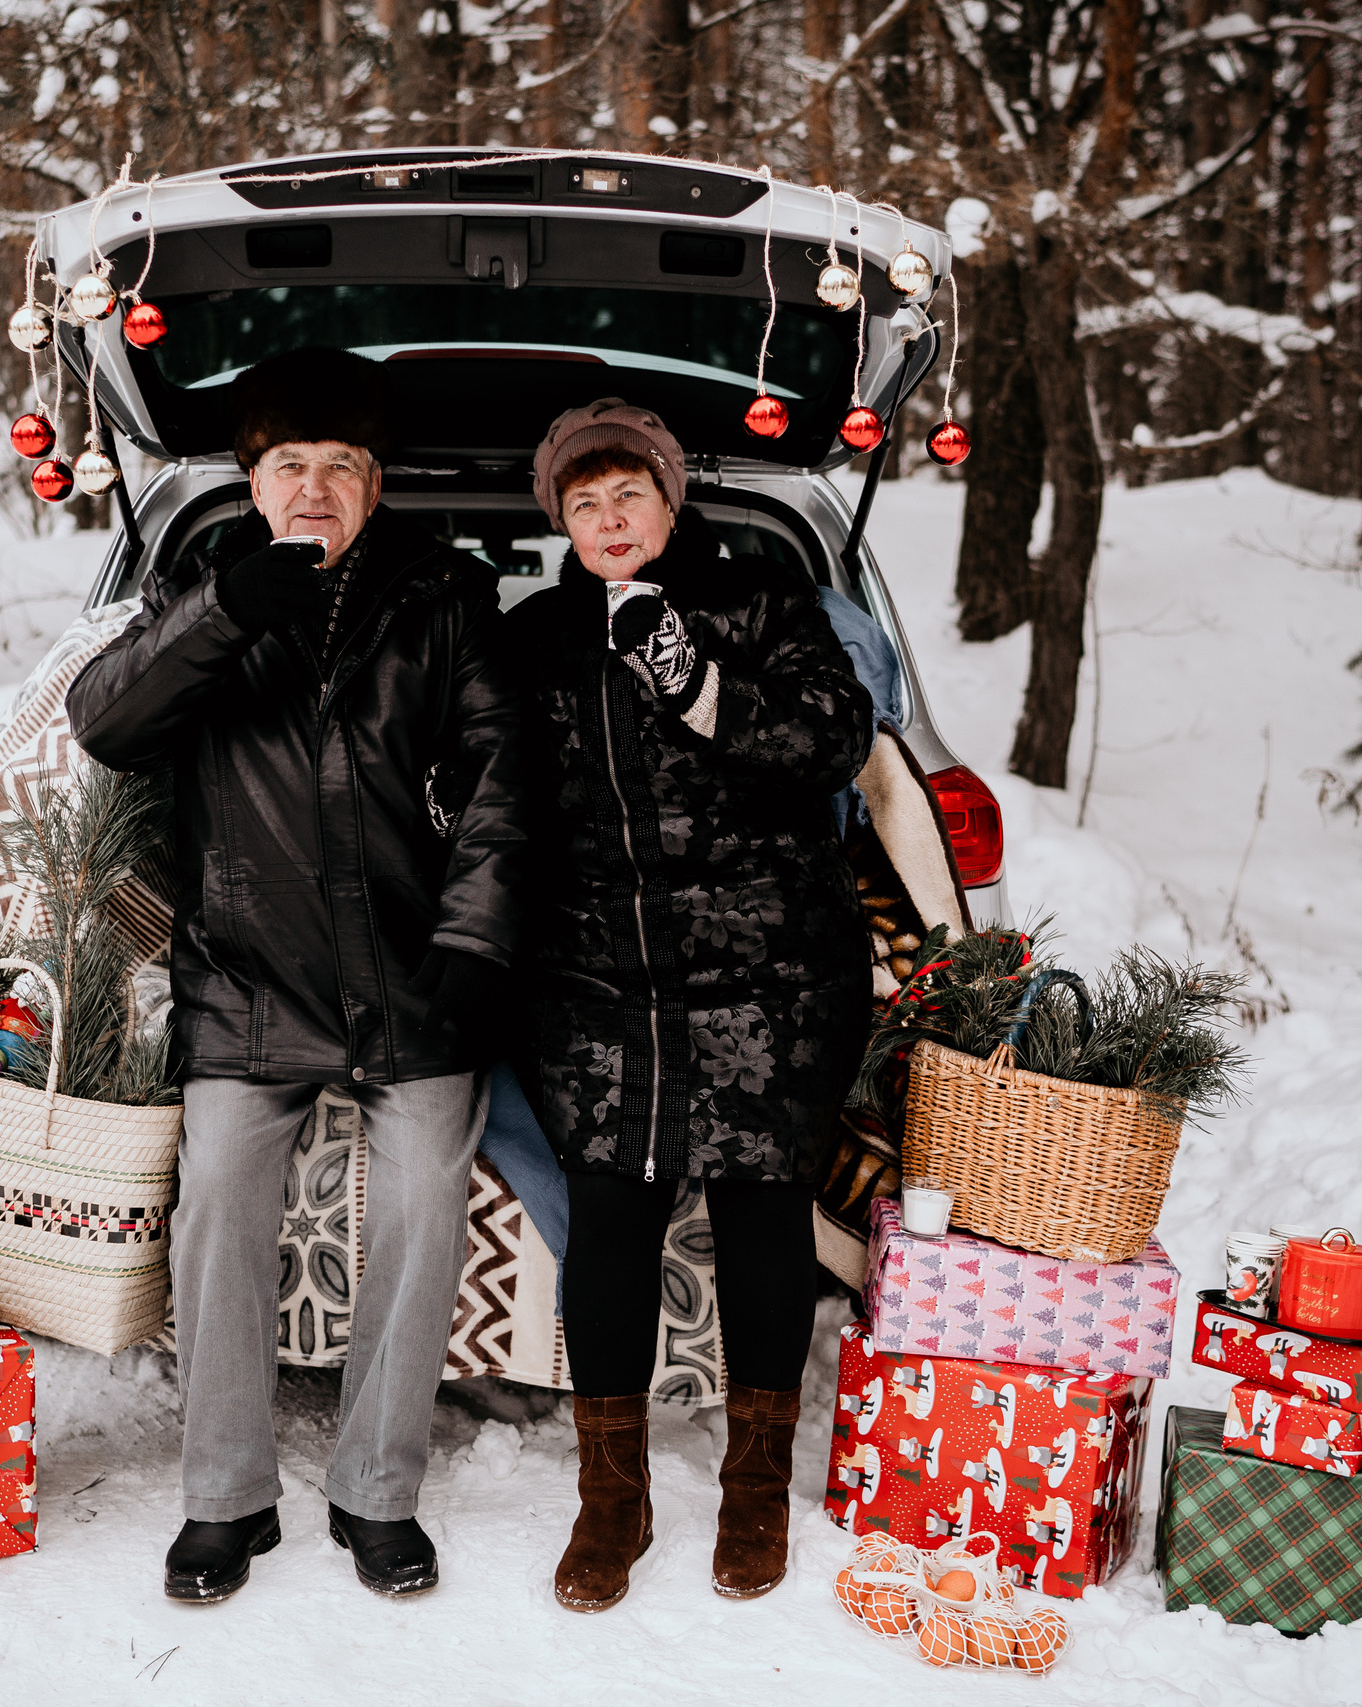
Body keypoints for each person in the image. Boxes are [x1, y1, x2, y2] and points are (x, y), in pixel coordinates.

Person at [65, 348, 524, 1604]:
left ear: (375, 488)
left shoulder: (444, 600)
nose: (313, 490)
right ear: (253, 482)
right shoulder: (204, 596)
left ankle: (378, 1494)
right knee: (215, 1201)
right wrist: (225, 615)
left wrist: (473, 947)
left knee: (425, 1205)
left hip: (410, 977)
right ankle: (227, 1500)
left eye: (338, 469)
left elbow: (500, 786)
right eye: (288, 467)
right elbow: (102, 722)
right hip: (247, 980)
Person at [504, 398, 875, 1611]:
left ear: (671, 503)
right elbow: (498, 786)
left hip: (768, 978)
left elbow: (834, 741)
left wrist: (699, 683)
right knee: (610, 1226)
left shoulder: (767, 607)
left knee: (763, 1222)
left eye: (630, 496)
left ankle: (754, 1493)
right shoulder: (542, 637)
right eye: (584, 502)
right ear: (561, 517)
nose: (609, 521)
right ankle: (610, 1502)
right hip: (600, 984)